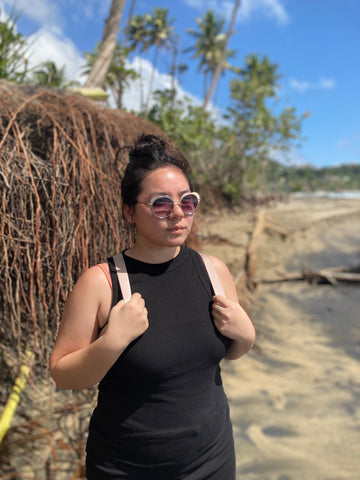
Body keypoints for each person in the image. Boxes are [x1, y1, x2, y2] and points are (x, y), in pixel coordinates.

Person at [50, 134, 255, 480]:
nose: (177, 214)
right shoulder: (101, 283)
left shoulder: (213, 271)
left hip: (214, 459)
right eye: (161, 204)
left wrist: (246, 337)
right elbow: (63, 374)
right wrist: (112, 341)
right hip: (127, 467)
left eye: (187, 202)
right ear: (130, 211)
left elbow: (219, 354)